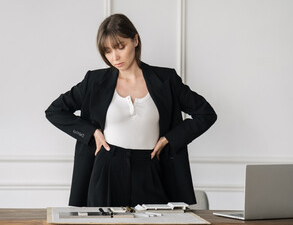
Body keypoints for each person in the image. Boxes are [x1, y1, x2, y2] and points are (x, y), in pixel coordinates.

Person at [45, 14, 217, 207]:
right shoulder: (94, 82)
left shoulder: (166, 80)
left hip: (151, 168)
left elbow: (206, 114)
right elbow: (54, 111)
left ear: (135, 40)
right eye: (107, 51)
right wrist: (91, 133)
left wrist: (171, 138)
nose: (114, 57)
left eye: (120, 47)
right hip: (106, 168)